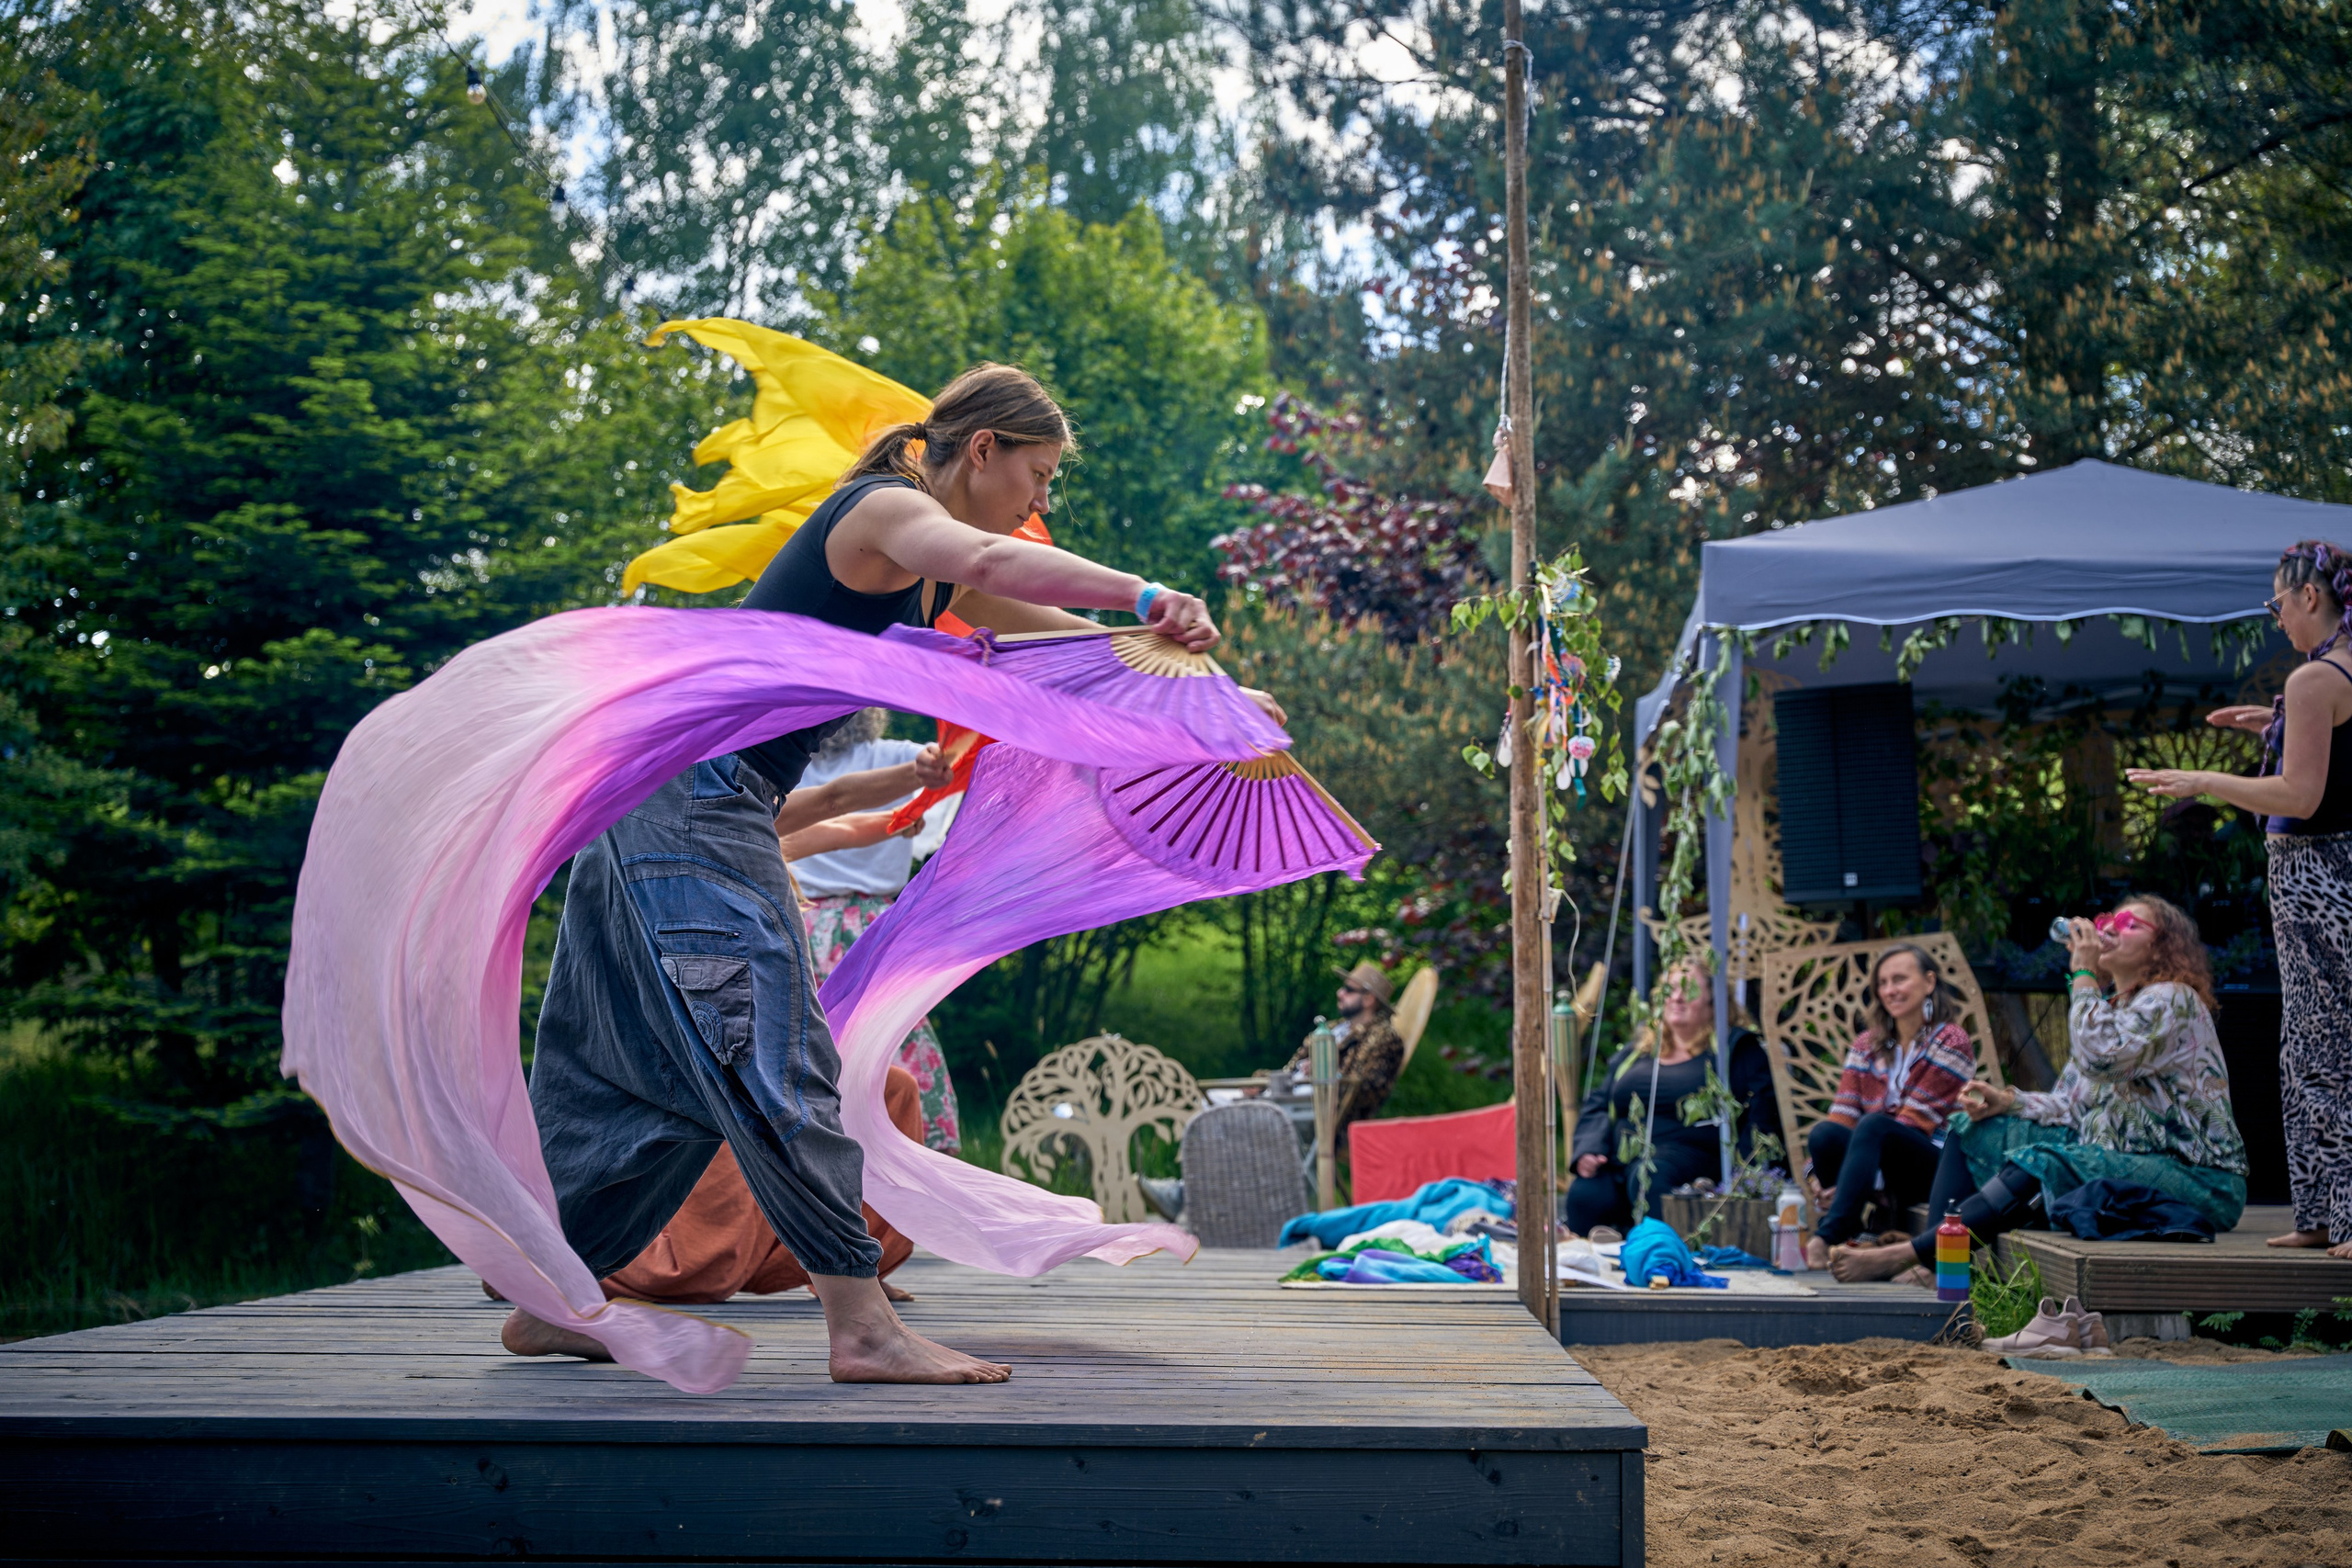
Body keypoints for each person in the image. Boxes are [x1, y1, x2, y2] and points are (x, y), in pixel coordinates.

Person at [508, 363, 1281, 1383]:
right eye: (1037, 476)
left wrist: (1213, 700)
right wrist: (1146, 588)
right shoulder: (884, 514)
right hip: (694, 801)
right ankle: (862, 1329)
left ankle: (548, 1300)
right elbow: (993, 557)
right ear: (983, 451)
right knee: (777, 1053)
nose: (1040, 503)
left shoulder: (936, 573)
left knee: (637, 1073)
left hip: (663, 796)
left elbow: (1091, 649)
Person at [1830, 895, 2247, 1284]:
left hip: (2198, 1181)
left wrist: (2083, 973)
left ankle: (1915, 1252)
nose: (2109, 928)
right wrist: (2007, 1102)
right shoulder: (2111, 1008)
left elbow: (2102, 1057)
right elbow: (2071, 1104)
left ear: (2163, 945)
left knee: (2043, 1160)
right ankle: (1941, 1260)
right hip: (2119, 1163)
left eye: (2128, 922)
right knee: (1970, 1128)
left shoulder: (2173, 999)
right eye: (2106, 921)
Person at [2128, 538, 2352, 1258]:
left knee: (2326, 1046)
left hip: (2317, 871)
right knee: (2308, 1045)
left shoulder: (2316, 678)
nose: (2277, 615)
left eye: (2277, 602)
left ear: (2309, 596)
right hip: (2331, 867)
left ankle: (2343, 1217)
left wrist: (2202, 779)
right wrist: (2276, 724)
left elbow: (2301, 793)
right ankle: (2320, 1213)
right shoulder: (2330, 676)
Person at [779, 708, 962, 1154]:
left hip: (839, 931)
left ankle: (884, 1150)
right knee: (839, 1054)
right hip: (822, 934)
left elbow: (837, 823)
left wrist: (896, 819)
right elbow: (832, 807)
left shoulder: (779, 784)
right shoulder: (773, 793)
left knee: (875, 1050)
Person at [602, 1065, 935, 1305]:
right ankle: (572, 1269)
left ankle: (851, 1268)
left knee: (893, 1085)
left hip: (797, 1035)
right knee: (703, 1266)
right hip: (729, 1039)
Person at [1136, 962, 1404, 1224]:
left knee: (1234, 1117)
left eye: (1348, 989)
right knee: (1213, 1100)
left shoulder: (1384, 1038)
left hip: (1323, 1114)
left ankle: (1187, 1197)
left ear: (1369, 999)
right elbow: (1289, 1069)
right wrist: (1264, 1081)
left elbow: (1371, 1089)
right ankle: (1196, 1195)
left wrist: (1330, 1073)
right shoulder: (1332, 1028)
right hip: (1287, 1098)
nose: (1339, 993)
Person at [1567, 957, 1781, 1238]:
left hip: (1693, 1161)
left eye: (1689, 990)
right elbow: (1599, 1102)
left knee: (1652, 1175)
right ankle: (1610, 1256)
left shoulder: (1735, 1049)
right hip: (1624, 1158)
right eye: (1671, 989)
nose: (1677, 998)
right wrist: (1589, 1149)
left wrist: (1744, 1179)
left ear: (1713, 1002)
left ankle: (1662, 1257)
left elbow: (1761, 1116)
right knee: (1585, 1195)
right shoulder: (1637, 1052)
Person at [1802, 943, 1976, 1270]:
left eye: (1899, 979)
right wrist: (1815, 1175)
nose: (1889, 990)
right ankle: (1852, 1235)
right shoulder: (1866, 1046)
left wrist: (1855, 1182)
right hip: (1877, 1164)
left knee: (1875, 1126)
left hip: (1933, 1167)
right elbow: (1842, 1115)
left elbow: (1914, 1123)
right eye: (1882, 983)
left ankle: (1826, 1237)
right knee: (1825, 1134)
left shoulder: (1951, 1041)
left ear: (1928, 982)